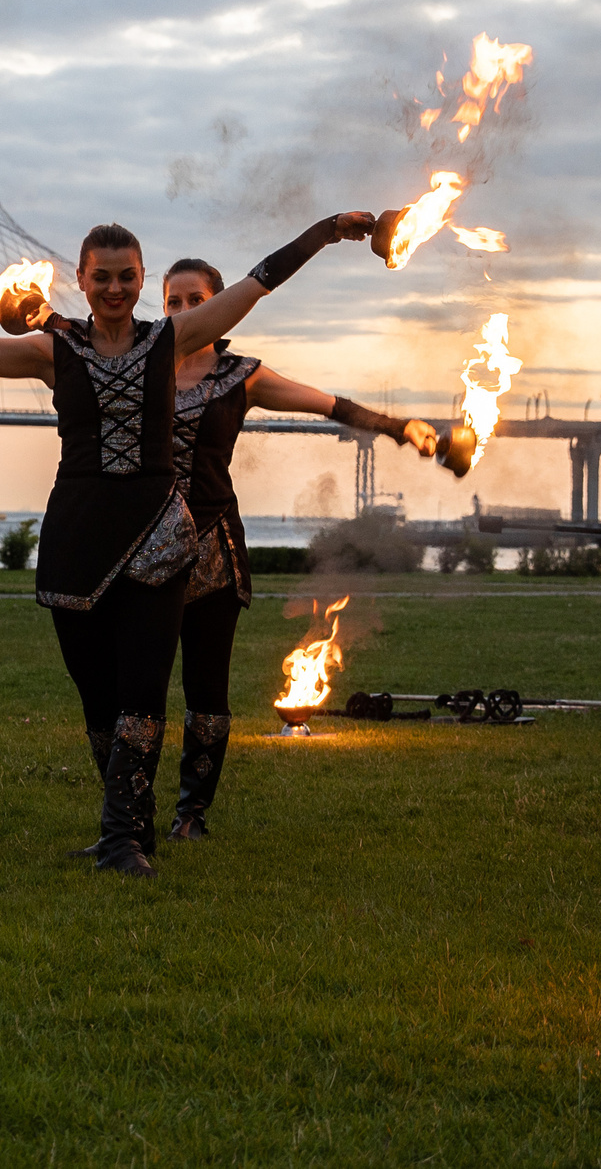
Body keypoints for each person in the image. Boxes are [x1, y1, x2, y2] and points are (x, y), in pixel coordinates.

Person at [0, 211, 378, 876]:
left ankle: (122, 841)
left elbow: (257, 283)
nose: (115, 288)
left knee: (142, 691)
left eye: (127, 277)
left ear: (141, 280)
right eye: (102, 277)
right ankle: (129, 825)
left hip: (160, 538)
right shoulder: (50, 350)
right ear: (81, 281)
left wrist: (327, 230)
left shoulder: (169, 341)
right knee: (97, 699)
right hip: (77, 537)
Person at [155, 258, 438, 841]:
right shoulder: (137, 367)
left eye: (196, 300)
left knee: (206, 689)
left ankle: (191, 814)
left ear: (219, 305)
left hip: (213, 548)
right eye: (173, 303)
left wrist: (394, 425)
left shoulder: (242, 376)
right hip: (143, 551)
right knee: (137, 690)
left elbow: (327, 404)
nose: (185, 312)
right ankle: (128, 816)